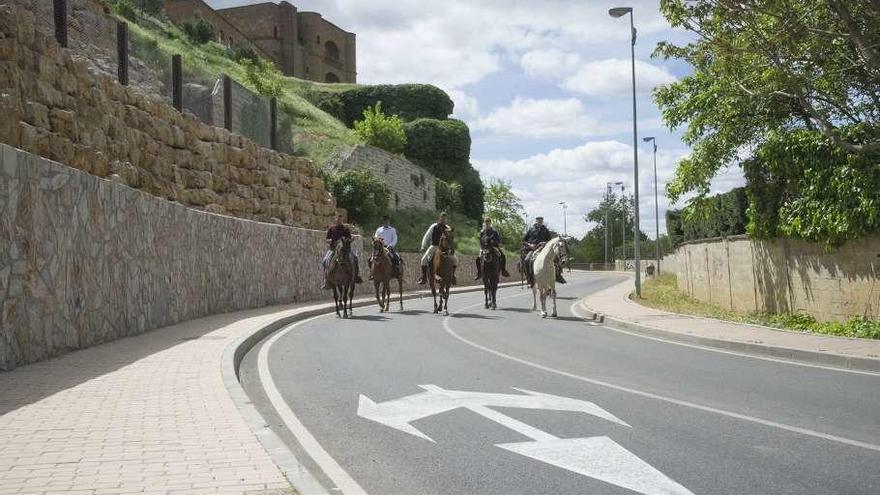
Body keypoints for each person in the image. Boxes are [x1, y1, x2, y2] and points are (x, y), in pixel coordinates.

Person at [321, 213, 362, 289]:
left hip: (345, 250)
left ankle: (356, 276)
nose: (339, 221)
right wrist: (330, 241)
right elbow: (327, 239)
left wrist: (349, 240)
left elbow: (349, 238)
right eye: (338, 219)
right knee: (324, 261)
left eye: (340, 219)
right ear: (335, 219)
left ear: (342, 220)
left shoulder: (345, 229)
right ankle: (326, 280)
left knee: (355, 258)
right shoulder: (331, 228)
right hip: (333, 249)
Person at [522, 216, 566, 285]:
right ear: (535, 221)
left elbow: (551, 240)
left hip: (543, 248)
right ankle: (529, 278)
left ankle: (558, 275)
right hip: (532, 249)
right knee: (527, 260)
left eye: (540, 221)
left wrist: (544, 243)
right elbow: (524, 240)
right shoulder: (531, 230)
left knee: (555, 259)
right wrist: (529, 245)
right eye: (538, 221)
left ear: (542, 222)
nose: (539, 222)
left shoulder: (545, 230)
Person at [417, 212, 457, 285]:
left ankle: (452, 276)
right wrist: (423, 246)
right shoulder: (434, 226)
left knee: (455, 260)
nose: (443, 220)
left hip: (445, 249)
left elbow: (450, 239)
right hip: (434, 246)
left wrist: (451, 248)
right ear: (439, 218)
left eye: (445, 219)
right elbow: (427, 236)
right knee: (423, 260)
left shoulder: (448, 228)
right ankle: (424, 277)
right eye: (442, 218)